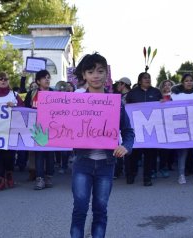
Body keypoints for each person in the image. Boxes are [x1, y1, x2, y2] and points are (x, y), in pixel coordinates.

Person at [70, 53, 135, 238]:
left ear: (106, 74)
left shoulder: (116, 103)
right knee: (80, 210)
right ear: (84, 75)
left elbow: (128, 132)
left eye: (100, 71)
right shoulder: (76, 102)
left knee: (100, 210)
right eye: (90, 72)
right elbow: (63, 127)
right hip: (82, 163)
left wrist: (126, 147)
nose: (96, 75)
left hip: (107, 165)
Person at [125, 72, 162, 186]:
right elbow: (126, 107)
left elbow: (163, 107)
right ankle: (131, 174)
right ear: (140, 81)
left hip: (151, 129)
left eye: (149, 78)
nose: (148, 80)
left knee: (150, 155)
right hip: (136, 129)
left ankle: (147, 177)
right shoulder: (132, 93)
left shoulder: (156, 92)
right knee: (133, 155)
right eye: (145, 78)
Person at [171, 74, 193, 186]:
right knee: (183, 153)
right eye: (186, 81)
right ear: (182, 82)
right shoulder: (175, 95)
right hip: (183, 128)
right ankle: (181, 176)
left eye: (191, 80)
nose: (189, 82)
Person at [0, 72, 23, 192]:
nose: (3, 81)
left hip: (11, 130)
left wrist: (14, 106)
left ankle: (9, 174)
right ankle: (0, 179)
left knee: (9, 156)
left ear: (8, 81)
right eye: (1, 79)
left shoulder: (14, 95)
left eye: (5, 79)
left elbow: (23, 109)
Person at [25, 70, 55, 190]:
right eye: (44, 78)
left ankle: (49, 177)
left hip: (52, 129)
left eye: (48, 77)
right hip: (37, 130)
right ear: (38, 81)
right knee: (39, 154)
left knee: (50, 155)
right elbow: (25, 110)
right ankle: (40, 179)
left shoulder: (55, 94)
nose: (47, 80)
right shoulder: (32, 94)